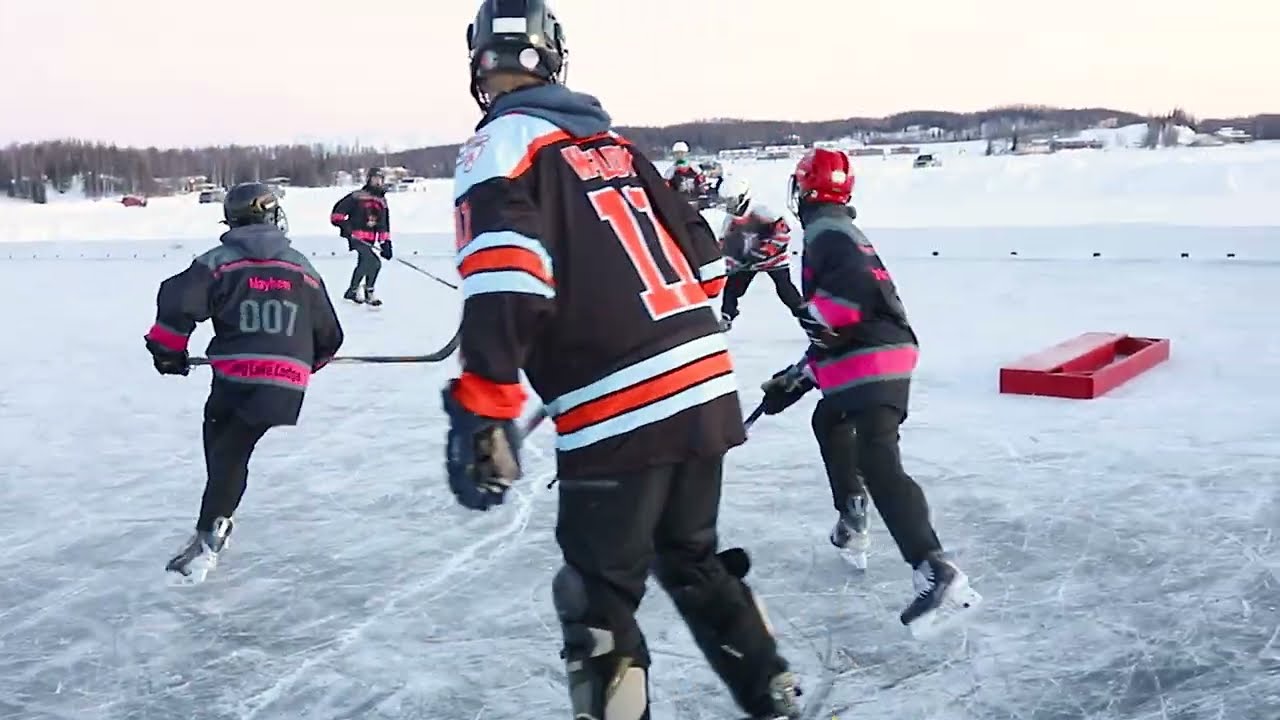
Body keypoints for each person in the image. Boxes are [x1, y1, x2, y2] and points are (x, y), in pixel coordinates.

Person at [442, 2, 801, 717]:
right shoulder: (618, 145)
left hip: (620, 410)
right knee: (690, 557)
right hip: (703, 389)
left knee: (595, 596)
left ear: (480, 62)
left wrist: (484, 401)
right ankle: (774, 692)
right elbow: (704, 266)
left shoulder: (499, 146)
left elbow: (508, 270)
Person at [757, 148, 981, 637]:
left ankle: (934, 568)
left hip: (875, 357)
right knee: (830, 420)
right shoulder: (839, 229)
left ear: (802, 191)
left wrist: (813, 322)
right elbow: (843, 330)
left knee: (878, 458)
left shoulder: (824, 233)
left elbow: (847, 305)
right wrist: (796, 379)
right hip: (878, 354)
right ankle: (853, 517)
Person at [144, 182, 344, 583]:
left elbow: (176, 302)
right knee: (231, 448)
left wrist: (168, 353)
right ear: (271, 216)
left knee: (226, 449)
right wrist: (302, 367)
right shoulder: (301, 266)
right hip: (284, 383)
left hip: (234, 380)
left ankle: (209, 539)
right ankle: (218, 518)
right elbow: (330, 336)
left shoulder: (218, 262)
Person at [715, 178, 803, 332]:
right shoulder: (730, 220)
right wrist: (729, 262)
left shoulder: (763, 212)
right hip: (747, 262)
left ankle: (805, 314)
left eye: (731, 200)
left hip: (774, 260)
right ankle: (727, 315)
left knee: (785, 289)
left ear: (743, 197)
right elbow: (725, 244)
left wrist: (763, 252)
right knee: (732, 288)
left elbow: (783, 232)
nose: (728, 205)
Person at [329, 168, 393, 306]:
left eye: (380, 179)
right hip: (356, 237)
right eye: (374, 178)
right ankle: (365, 290)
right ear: (369, 179)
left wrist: (385, 243)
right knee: (374, 262)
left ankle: (354, 291)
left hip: (370, 238)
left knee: (365, 263)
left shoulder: (382, 201)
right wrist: (345, 227)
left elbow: (383, 224)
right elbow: (337, 214)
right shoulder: (357, 196)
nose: (377, 181)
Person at [663, 140, 705, 206]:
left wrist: (702, 195)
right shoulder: (670, 172)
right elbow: (666, 188)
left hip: (695, 201)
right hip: (679, 204)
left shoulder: (695, 169)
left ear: (687, 153)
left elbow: (702, 184)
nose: (680, 155)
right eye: (677, 153)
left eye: (682, 153)